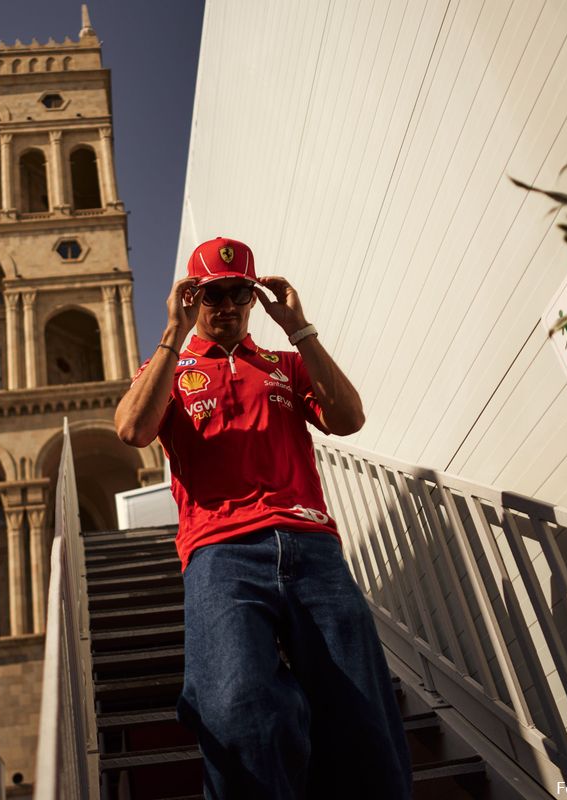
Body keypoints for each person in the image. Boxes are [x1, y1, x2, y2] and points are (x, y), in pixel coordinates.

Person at [114, 237, 412, 798]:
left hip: (311, 546)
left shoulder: (285, 364)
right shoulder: (168, 371)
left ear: (253, 298)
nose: (226, 304)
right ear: (192, 296)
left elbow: (348, 419)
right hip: (220, 553)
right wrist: (172, 336)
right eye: (212, 293)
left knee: (361, 709)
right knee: (234, 707)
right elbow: (132, 430)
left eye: (238, 293)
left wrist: (298, 327)